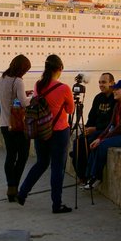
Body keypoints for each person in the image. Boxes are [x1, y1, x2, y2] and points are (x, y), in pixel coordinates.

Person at [16, 54, 75, 214]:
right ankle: (57, 204)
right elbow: (70, 110)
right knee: (57, 168)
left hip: (41, 130)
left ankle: (22, 193)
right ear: (60, 69)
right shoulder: (64, 88)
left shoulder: (38, 85)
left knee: (41, 163)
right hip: (59, 131)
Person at [70, 72, 117, 179]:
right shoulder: (98, 98)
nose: (101, 85)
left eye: (104, 82)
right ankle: (82, 176)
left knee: (88, 143)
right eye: (99, 82)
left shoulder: (115, 99)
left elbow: (113, 121)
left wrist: (95, 129)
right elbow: (91, 116)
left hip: (105, 131)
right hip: (94, 129)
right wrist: (87, 128)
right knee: (77, 142)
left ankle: (88, 175)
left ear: (112, 83)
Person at [0, 55, 32, 201]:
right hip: (18, 126)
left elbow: (9, 98)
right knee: (23, 156)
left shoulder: (1, 79)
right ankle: (14, 186)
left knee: (10, 155)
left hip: (5, 124)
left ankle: (11, 186)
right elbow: (23, 103)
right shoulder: (18, 81)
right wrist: (35, 96)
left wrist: (24, 94)